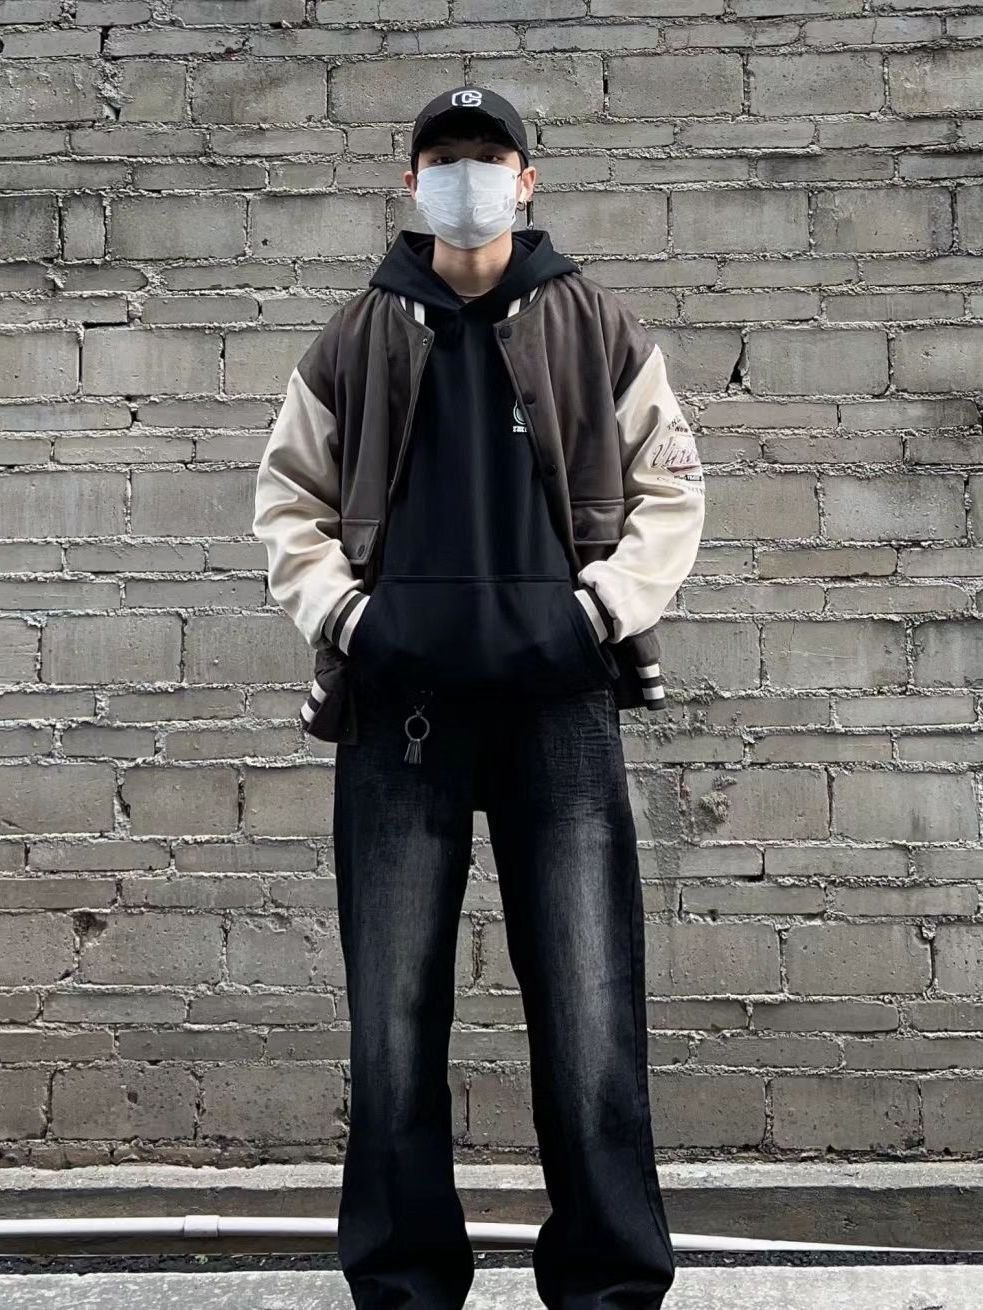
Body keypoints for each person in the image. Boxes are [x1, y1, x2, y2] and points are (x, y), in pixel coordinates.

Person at [252, 85, 705, 1310]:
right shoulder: (357, 334)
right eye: (443, 158)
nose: (466, 176)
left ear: (525, 177)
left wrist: (595, 612)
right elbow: (287, 496)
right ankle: (404, 1285)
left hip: (559, 704)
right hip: (402, 712)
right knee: (393, 1020)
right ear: (413, 183)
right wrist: (351, 618)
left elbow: (671, 489)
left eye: (486, 155)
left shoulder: (594, 323)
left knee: (590, 1010)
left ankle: (607, 1286)